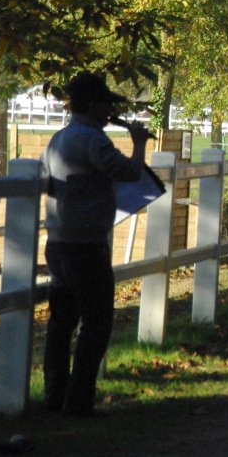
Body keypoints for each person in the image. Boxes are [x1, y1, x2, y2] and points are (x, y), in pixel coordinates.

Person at [41, 71, 151, 417]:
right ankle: (78, 400)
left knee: (61, 323)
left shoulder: (58, 138)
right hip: (86, 245)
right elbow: (131, 173)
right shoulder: (93, 140)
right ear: (91, 105)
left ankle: (53, 396)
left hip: (58, 242)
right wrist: (138, 142)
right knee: (97, 323)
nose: (109, 112)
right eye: (105, 104)